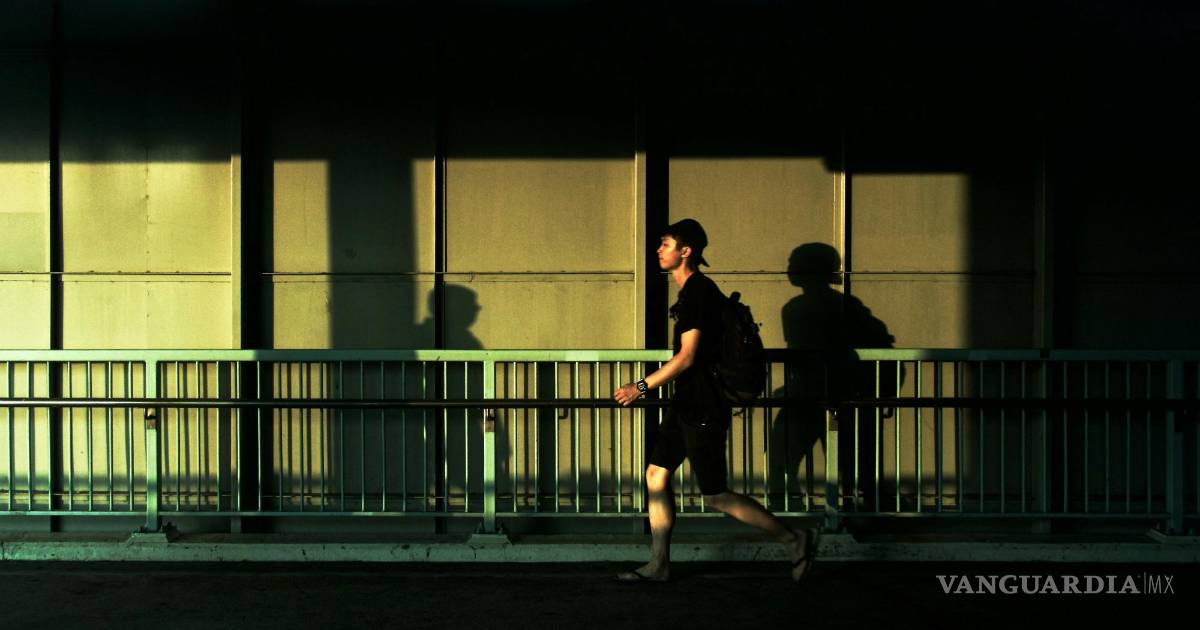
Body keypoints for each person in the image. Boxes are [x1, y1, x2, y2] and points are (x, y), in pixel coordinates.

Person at [613, 218, 815, 583]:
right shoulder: (692, 292)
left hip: (704, 405)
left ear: (685, 251)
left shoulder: (698, 292)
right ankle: (659, 564)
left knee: (716, 494)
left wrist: (640, 387)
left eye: (665, 244)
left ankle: (793, 538)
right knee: (656, 474)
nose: (658, 250)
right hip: (686, 402)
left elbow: (687, 356)